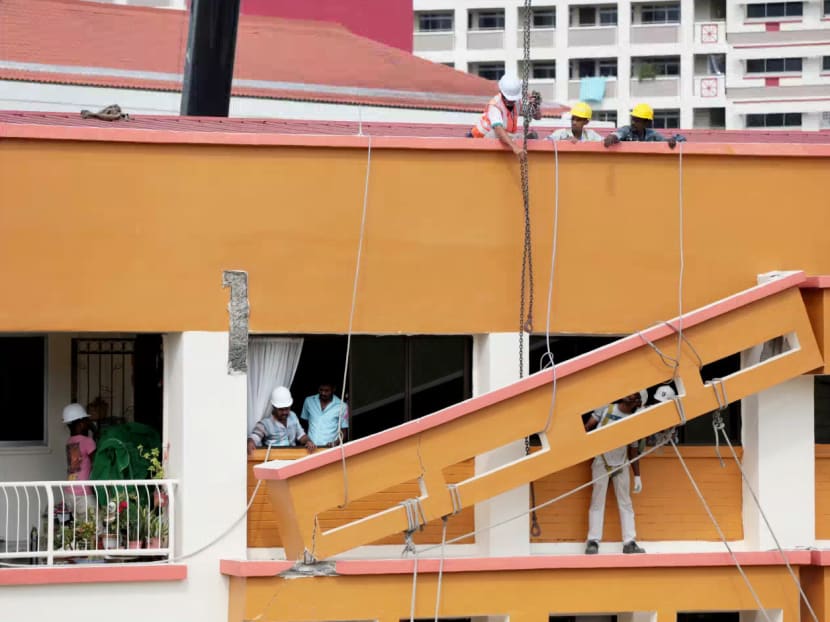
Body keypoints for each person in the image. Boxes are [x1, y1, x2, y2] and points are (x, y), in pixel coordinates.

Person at [584, 391, 648, 555]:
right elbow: (586, 429)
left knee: (625, 503)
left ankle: (629, 542)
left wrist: (637, 475)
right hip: (601, 461)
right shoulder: (606, 408)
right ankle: (593, 541)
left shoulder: (633, 421)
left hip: (621, 464)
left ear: (638, 402)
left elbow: (633, 449)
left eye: (635, 394)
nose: (629, 395)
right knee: (597, 502)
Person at [467, 74, 542, 158]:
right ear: (501, 92)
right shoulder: (495, 105)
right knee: (495, 134)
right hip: (479, 140)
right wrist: (515, 147)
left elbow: (537, 117)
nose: (510, 102)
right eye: (508, 99)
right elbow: (498, 130)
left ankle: (521, 137)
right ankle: (520, 138)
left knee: (515, 137)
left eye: (512, 100)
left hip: (504, 136)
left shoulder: (517, 102)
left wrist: (535, 105)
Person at [248, 386, 314, 455]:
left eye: (287, 408)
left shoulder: (293, 416)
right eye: (281, 409)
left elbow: (301, 435)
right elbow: (254, 436)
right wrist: (250, 442)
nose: (285, 412)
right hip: (274, 460)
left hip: (293, 457)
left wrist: (308, 441)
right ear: (274, 407)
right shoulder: (265, 424)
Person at [62, 403, 97, 518]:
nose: (88, 424)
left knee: (79, 530)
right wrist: (95, 431)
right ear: (81, 424)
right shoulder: (88, 441)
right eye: (87, 422)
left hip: (69, 491)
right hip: (83, 493)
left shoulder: (70, 441)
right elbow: (96, 462)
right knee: (95, 528)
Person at [603, 103, 684, 149]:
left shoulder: (652, 135)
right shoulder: (627, 130)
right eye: (633, 119)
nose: (633, 123)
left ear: (647, 123)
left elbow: (680, 139)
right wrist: (613, 136)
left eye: (637, 120)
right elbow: (619, 133)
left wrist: (672, 140)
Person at [301, 382, 349, 448]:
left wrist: (335, 443)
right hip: (310, 448)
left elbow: (343, 432)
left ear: (333, 389)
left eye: (326, 391)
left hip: (329, 449)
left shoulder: (342, 406)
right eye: (321, 390)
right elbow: (303, 425)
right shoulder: (308, 401)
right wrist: (307, 441)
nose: (323, 393)